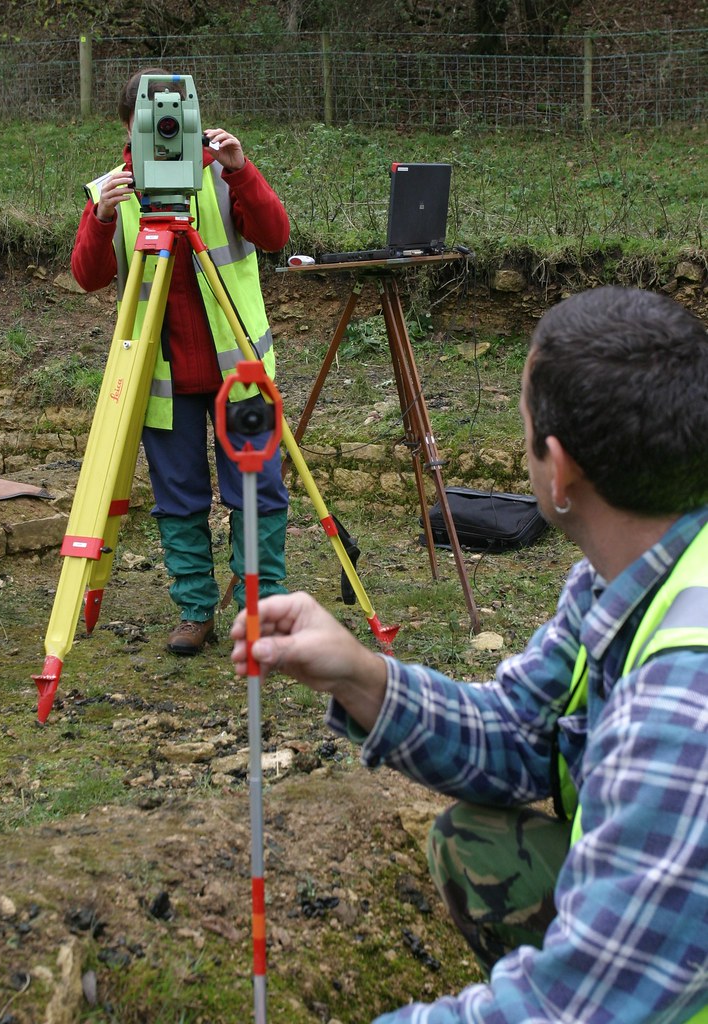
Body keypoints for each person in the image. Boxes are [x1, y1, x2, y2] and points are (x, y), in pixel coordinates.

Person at [231, 286, 708, 1023]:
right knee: (478, 843)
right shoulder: (633, 573)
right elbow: (521, 731)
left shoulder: (683, 706)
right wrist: (364, 677)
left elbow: (562, 1011)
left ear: (559, 470)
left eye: (521, 427)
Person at [72, 68, 291, 655]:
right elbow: (88, 277)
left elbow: (275, 235)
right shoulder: (112, 190)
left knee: (259, 493)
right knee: (179, 499)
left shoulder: (222, 172)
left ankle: (261, 611)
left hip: (239, 372)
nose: (163, 132)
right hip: (163, 377)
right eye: (148, 123)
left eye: (172, 120)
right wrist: (101, 217)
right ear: (126, 127)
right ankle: (196, 609)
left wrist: (241, 170)